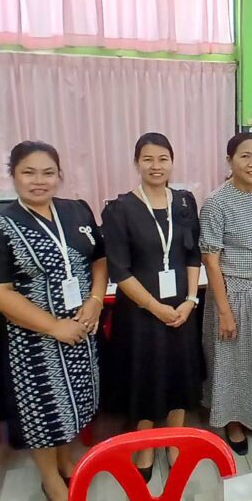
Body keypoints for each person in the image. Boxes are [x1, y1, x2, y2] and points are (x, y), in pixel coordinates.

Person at [0, 141, 105, 501]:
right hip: (33, 339)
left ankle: (66, 460)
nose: (39, 180)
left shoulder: (76, 210)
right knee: (44, 411)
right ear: (13, 176)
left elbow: (99, 258)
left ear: (59, 175)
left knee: (76, 402)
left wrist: (95, 300)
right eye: (28, 172)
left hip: (81, 328)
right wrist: (53, 326)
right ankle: (50, 478)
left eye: (48, 172)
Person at [101, 133, 202, 480]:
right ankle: (144, 446)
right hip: (140, 312)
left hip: (182, 308)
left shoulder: (185, 202)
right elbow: (119, 270)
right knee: (145, 377)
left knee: (179, 374)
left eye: (163, 159)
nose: (156, 166)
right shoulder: (120, 209)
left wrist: (191, 300)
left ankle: (174, 441)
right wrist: (155, 307)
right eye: (148, 159)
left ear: (172, 162)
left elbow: (192, 254)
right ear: (136, 164)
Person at [199, 133, 252, 455]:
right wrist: (224, 311)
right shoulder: (216, 202)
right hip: (232, 292)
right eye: (244, 156)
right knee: (231, 362)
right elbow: (210, 259)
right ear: (229, 160)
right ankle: (232, 421)